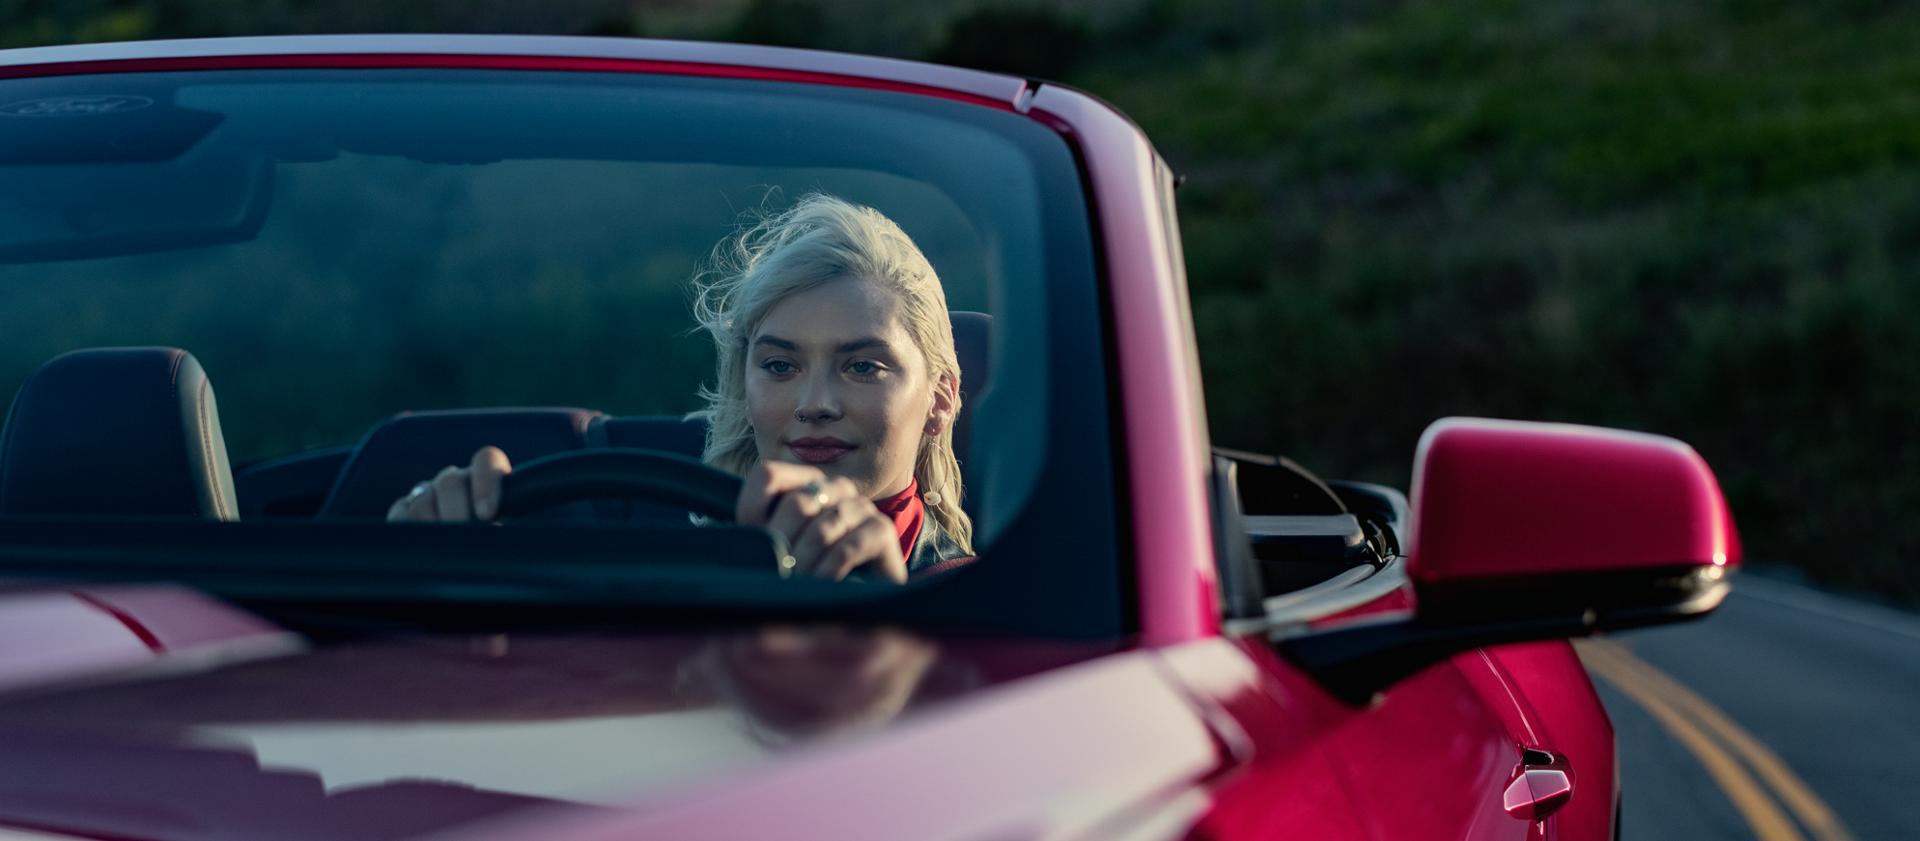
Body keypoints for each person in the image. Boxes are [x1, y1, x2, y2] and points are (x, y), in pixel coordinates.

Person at [387, 193, 975, 583]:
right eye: (778, 366)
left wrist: (893, 609)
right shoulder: (656, 569)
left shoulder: (991, 604)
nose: (814, 404)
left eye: (862, 367)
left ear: (941, 397)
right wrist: (446, 575)